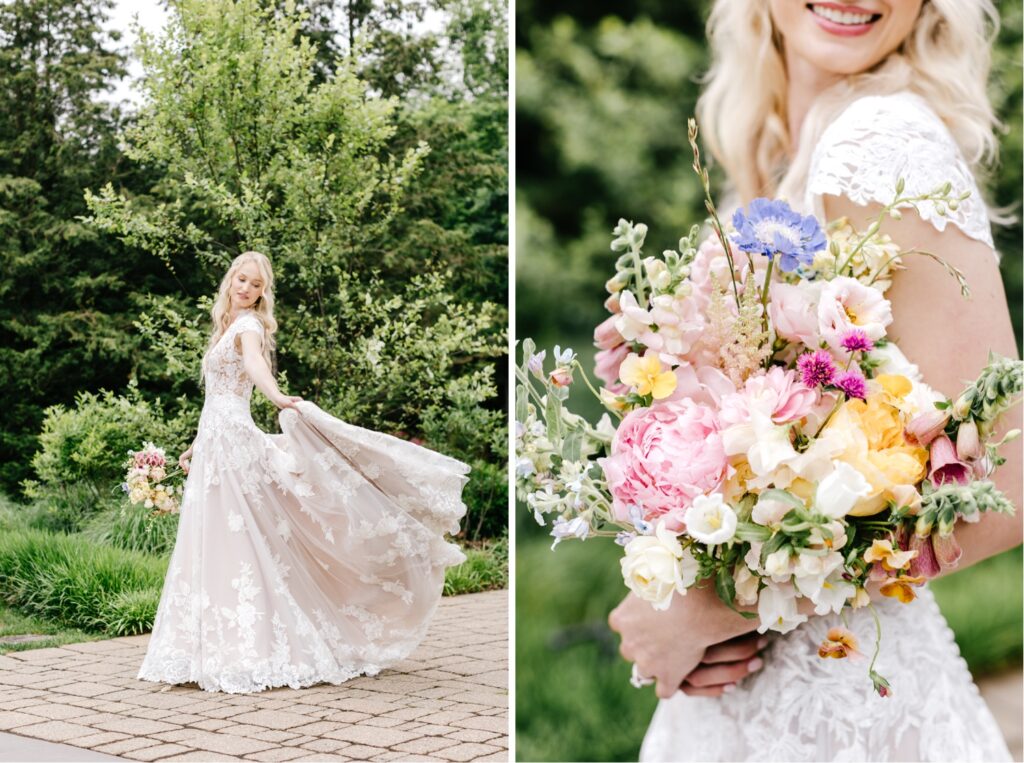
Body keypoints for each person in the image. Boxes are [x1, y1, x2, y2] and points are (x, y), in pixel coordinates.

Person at [608, 1, 1023, 760]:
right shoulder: (780, 146)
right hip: (761, 693)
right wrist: (665, 361)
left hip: (843, 711)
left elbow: (1008, 486)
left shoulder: (880, 139)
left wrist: (712, 606)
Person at [137, 251, 470, 694]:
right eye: (242, 279)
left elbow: (254, 366)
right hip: (215, 441)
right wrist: (196, 444)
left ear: (262, 293)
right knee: (215, 536)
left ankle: (250, 647)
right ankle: (209, 646)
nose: (247, 289)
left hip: (233, 441)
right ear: (230, 280)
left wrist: (276, 396)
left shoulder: (249, 326)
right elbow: (216, 396)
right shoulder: (225, 327)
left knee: (243, 536)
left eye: (256, 284)